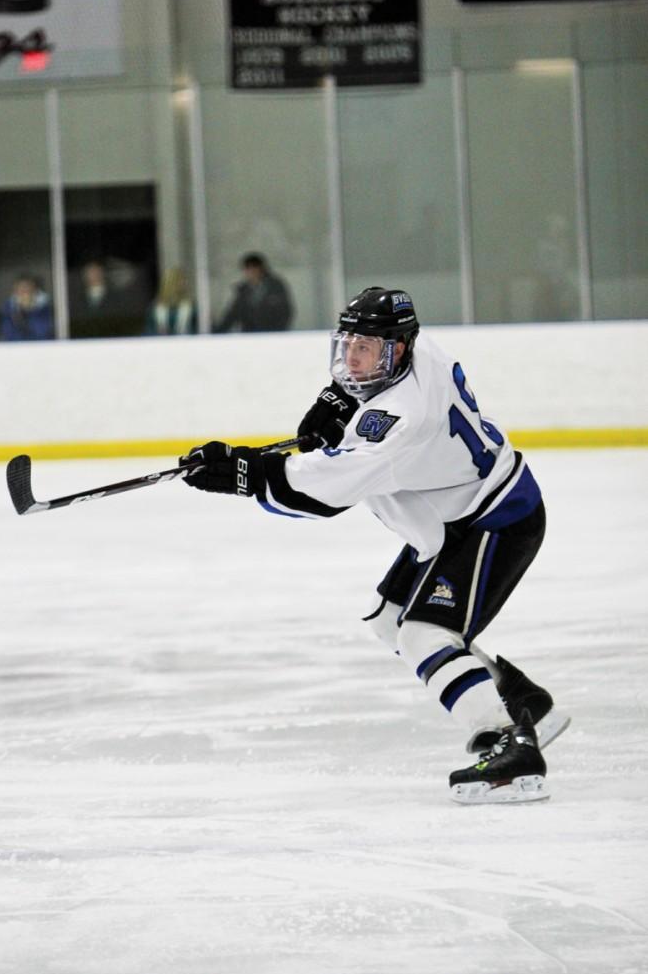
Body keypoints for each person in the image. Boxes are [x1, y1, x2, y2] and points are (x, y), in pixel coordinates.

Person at [179, 287, 570, 804]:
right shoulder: (420, 352)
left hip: (494, 520)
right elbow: (357, 415)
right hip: (456, 515)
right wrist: (336, 400)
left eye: (367, 349)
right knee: (389, 617)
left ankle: (508, 745)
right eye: (348, 345)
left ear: (399, 349)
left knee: (426, 634)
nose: (353, 359)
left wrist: (245, 473)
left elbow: (322, 492)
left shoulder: (401, 420)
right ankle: (521, 700)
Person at [214, 253, 294, 334]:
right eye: (247, 269)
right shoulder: (243, 291)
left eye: (253, 268)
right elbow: (232, 314)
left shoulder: (276, 287)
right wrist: (218, 332)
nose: (250, 272)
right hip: (249, 339)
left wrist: (276, 334)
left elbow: (285, 312)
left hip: (272, 337)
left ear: (261, 269)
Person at [69, 259, 144, 340]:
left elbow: (120, 323)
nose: (93, 275)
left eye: (96, 271)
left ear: (101, 273)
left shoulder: (115, 298)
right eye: (90, 271)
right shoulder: (78, 300)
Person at [0, 274, 53, 342]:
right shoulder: (8, 308)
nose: (24, 294)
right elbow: (8, 334)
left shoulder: (44, 307)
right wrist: (19, 312)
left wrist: (30, 310)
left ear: (34, 291)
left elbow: (42, 332)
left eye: (27, 289)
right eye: (20, 290)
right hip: (17, 348)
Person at [145, 266, 197, 335]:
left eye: (184, 281)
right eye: (181, 281)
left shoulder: (190, 306)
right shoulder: (155, 309)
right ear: (170, 283)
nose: (185, 283)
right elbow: (149, 331)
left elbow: (198, 329)